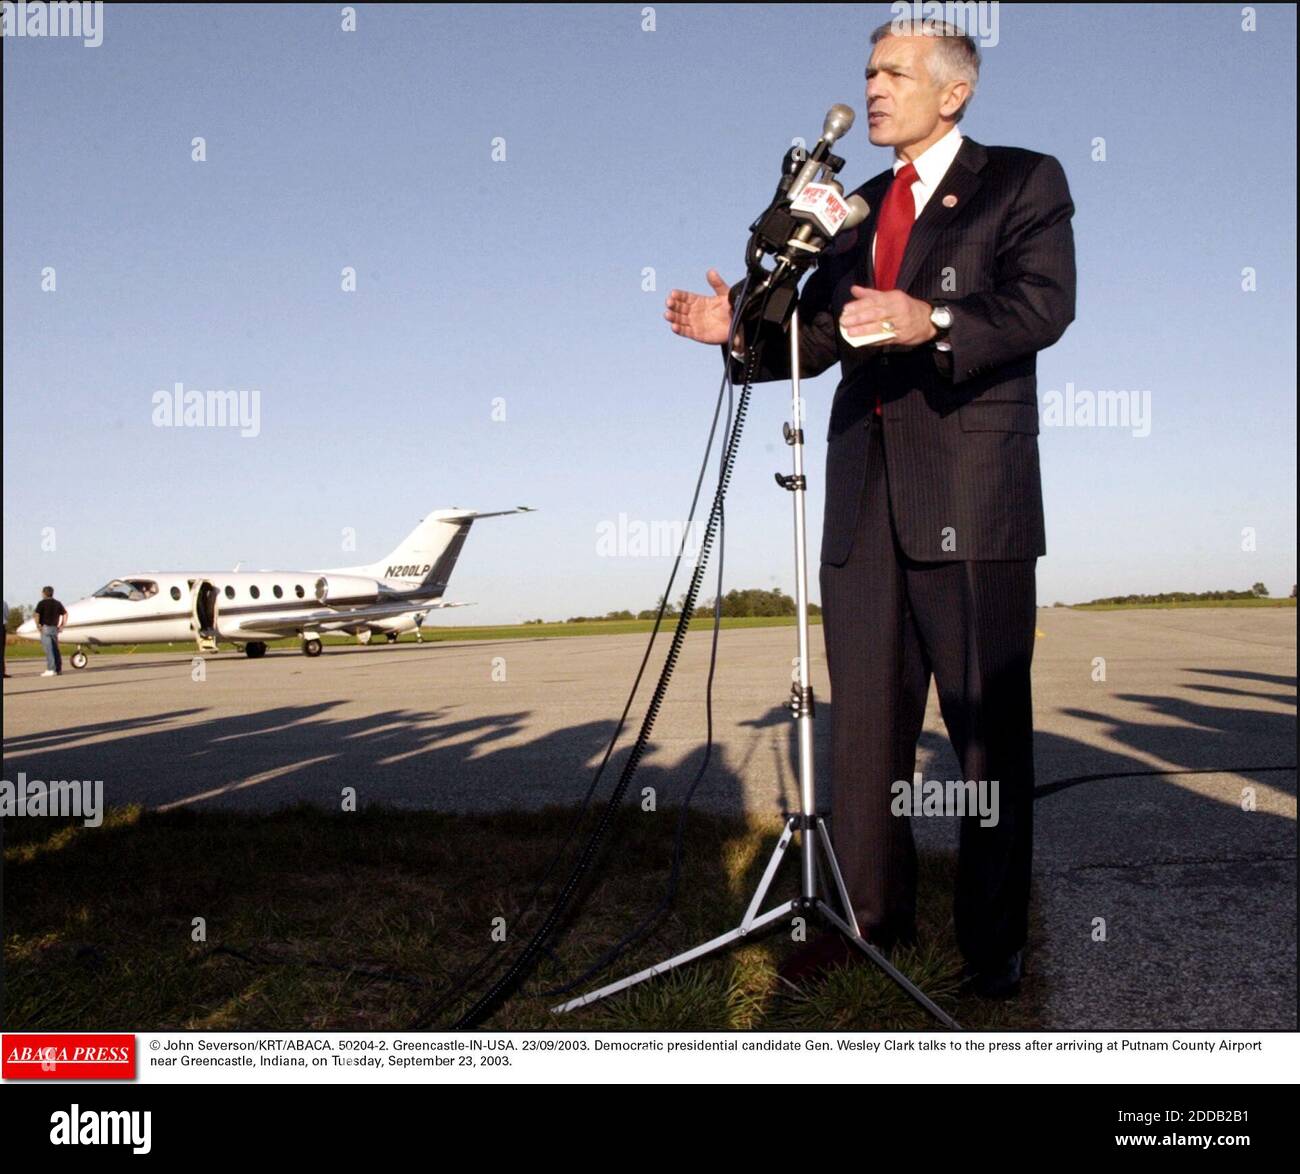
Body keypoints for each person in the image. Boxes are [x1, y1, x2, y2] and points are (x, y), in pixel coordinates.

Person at [664, 19, 1076, 998]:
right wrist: (738, 334)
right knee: (864, 736)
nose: (872, 86)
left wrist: (927, 317)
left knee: (981, 733)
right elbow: (811, 338)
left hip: (972, 501)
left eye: (893, 71)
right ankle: (867, 920)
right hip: (858, 498)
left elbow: (1042, 307)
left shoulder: (1022, 179)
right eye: (867, 68)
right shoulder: (848, 212)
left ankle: (989, 947)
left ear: (953, 91)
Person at [35, 586, 68, 677]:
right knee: (55, 649)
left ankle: (51, 669)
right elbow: (65, 613)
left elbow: (37, 614)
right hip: (55, 628)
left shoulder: (42, 603)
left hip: (45, 627)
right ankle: (58, 669)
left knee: (48, 649)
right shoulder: (57, 603)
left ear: (44, 593)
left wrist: (38, 625)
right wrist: (62, 625)